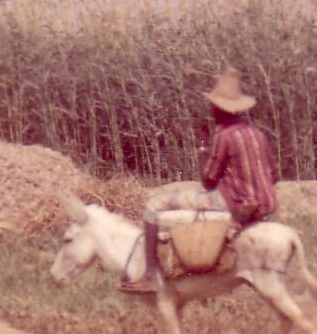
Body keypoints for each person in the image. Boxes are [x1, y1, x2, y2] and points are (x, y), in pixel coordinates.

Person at [119, 68, 279, 293]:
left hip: (236, 203)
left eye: (214, 107)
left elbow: (208, 181)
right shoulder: (257, 134)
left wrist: (203, 148)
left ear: (221, 110)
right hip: (267, 203)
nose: (211, 110)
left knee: (153, 206)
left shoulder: (224, 136)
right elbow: (275, 174)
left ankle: (151, 274)